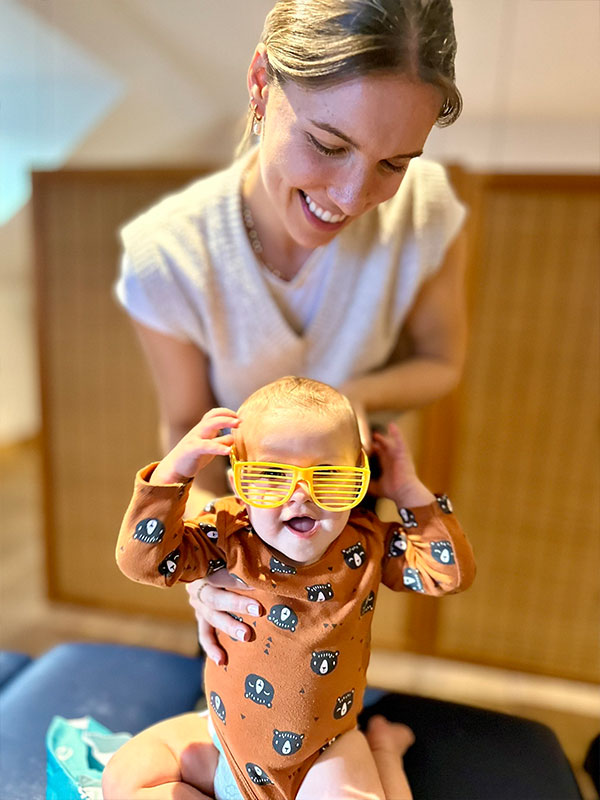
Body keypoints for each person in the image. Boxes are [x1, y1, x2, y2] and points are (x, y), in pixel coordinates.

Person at [115, 0, 468, 779]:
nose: (352, 194)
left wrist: (344, 404)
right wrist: (207, 574)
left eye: (394, 164)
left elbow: (442, 360)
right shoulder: (169, 255)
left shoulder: (426, 214)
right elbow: (188, 434)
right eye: (328, 144)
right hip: (243, 540)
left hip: (339, 544)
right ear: (259, 83)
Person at [104, 376, 475, 800]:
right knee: (124, 776)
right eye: (271, 475)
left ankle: (382, 752)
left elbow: (449, 574)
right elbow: (142, 562)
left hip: (324, 754)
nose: (301, 496)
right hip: (225, 743)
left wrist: (409, 493)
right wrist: (173, 474)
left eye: (328, 475)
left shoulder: (368, 543)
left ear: (359, 474)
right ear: (238, 482)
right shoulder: (227, 532)